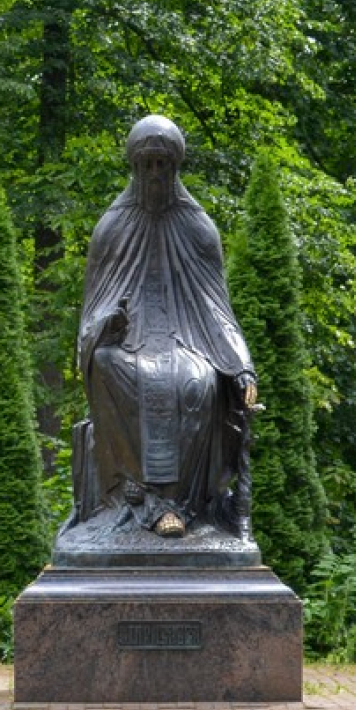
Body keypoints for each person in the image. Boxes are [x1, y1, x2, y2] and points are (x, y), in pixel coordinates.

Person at [64, 115, 258, 547]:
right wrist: (108, 324)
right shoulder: (111, 228)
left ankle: (180, 505)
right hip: (127, 346)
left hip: (186, 340)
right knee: (104, 363)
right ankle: (142, 501)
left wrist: (243, 367)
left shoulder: (198, 228)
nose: (155, 174)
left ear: (174, 168)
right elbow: (93, 309)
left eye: (162, 165)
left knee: (200, 382)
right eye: (147, 164)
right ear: (135, 167)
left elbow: (216, 308)